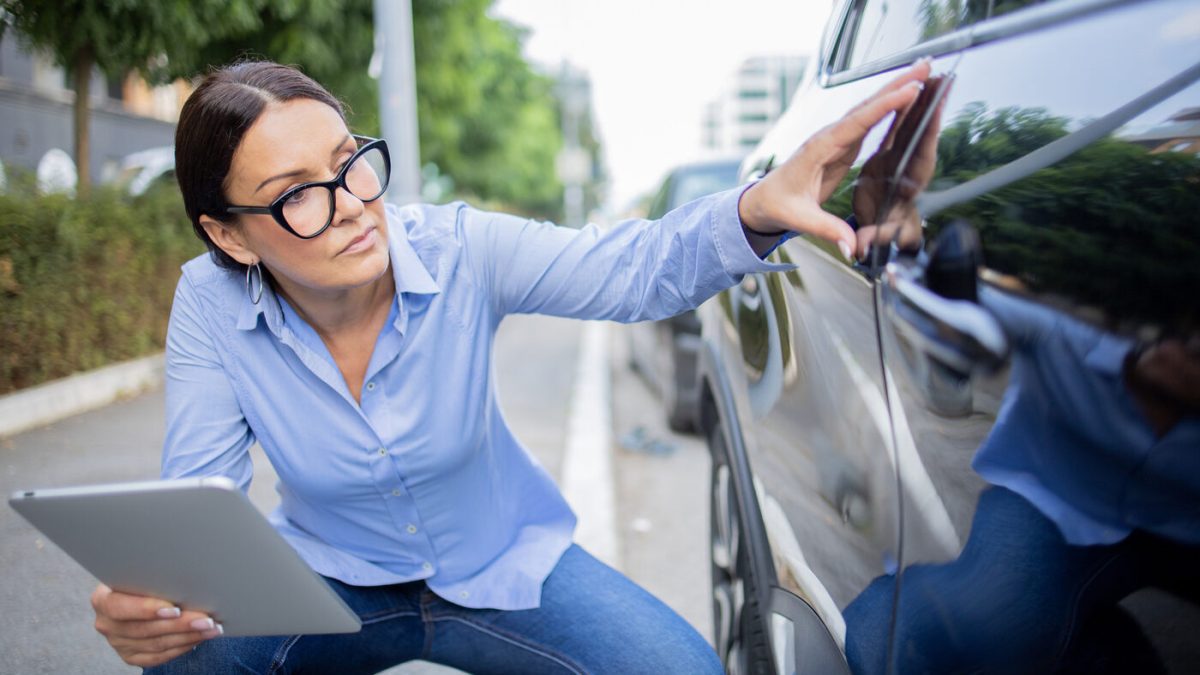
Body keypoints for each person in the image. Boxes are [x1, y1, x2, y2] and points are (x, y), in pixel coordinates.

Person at [88, 59, 931, 673]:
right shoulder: (208, 302)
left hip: (504, 567)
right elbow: (201, 501)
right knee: (184, 667)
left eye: (350, 161)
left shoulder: (458, 248)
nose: (352, 204)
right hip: (329, 582)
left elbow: (632, 269)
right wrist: (158, 607)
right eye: (298, 192)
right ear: (228, 233)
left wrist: (755, 208)